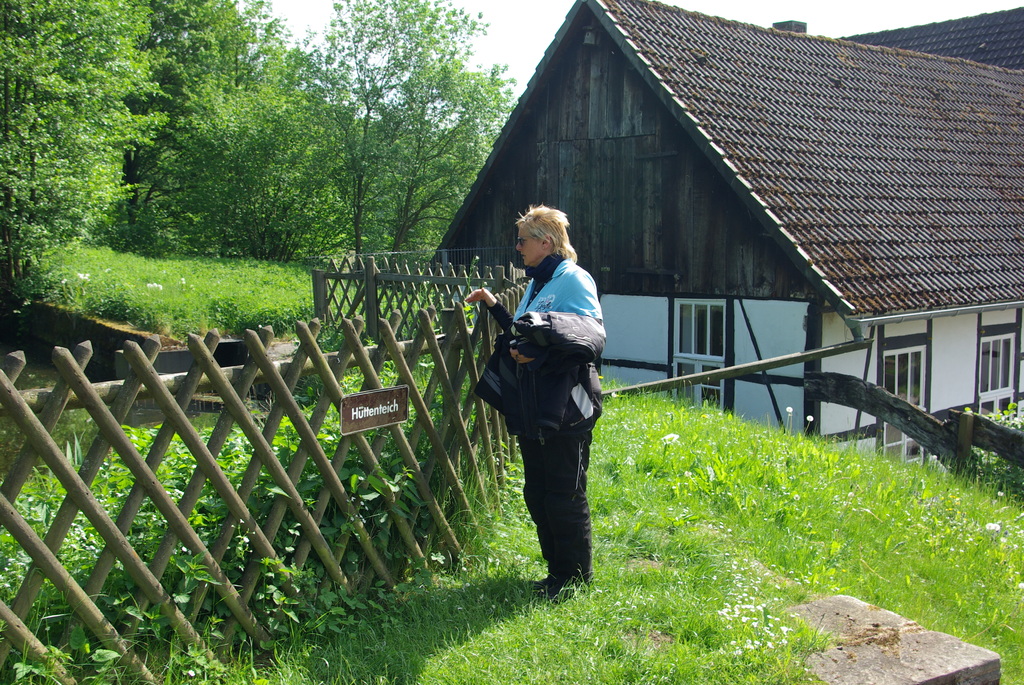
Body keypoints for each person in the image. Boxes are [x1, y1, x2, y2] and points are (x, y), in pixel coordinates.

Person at [466, 205, 605, 601]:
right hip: (536, 408)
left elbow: (591, 339)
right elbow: (528, 330)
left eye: (523, 240)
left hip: (568, 407)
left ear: (545, 242)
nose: (518, 247)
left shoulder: (574, 279)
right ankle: (556, 572)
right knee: (538, 493)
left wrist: (539, 354)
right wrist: (494, 305)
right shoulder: (539, 283)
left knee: (564, 494)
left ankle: (574, 578)